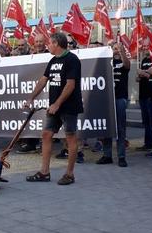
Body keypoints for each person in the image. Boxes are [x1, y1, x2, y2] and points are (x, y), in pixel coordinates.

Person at [24, 32, 83, 185]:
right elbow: (43, 80)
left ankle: (69, 174)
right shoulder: (52, 60)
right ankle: (44, 172)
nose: (47, 45)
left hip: (68, 106)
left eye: (49, 43)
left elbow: (70, 84)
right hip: (54, 107)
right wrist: (31, 98)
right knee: (46, 134)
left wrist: (57, 104)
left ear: (56, 43)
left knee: (70, 137)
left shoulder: (72, 59)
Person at [97, 38, 130, 167]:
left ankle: (121, 156)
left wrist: (121, 51)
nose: (115, 50)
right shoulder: (105, 62)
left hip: (120, 98)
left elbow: (127, 65)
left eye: (117, 48)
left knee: (120, 128)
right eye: (113, 48)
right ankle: (107, 155)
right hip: (107, 99)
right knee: (107, 128)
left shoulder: (122, 61)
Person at [136, 53, 152, 152]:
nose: (144, 48)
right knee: (146, 121)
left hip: (151, 94)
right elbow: (142, 77)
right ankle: (148, 143)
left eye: (146, 46)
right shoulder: (144, 60)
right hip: (142, 94)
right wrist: (139, 76)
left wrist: (143, 73)